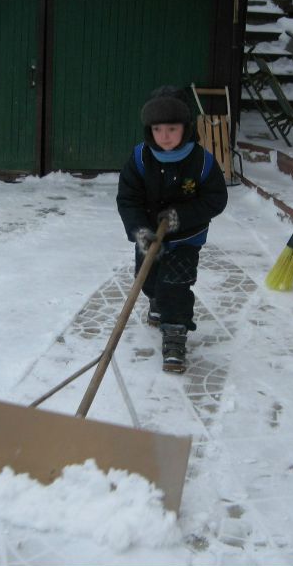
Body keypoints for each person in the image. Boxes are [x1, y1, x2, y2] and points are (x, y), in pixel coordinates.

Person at [116, 86, 228, 373]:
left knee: (175, 286)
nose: (164, 136)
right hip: (150, 237)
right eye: (157, 129)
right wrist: (140, 231)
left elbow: (215, 199)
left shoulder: (201, 161)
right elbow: (129, 199)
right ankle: (156, 299)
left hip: (186, 238)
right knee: (150, 281)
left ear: (186, 128)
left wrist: (181, 217)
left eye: (172, 128)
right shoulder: (141, 158)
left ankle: (176, 332)